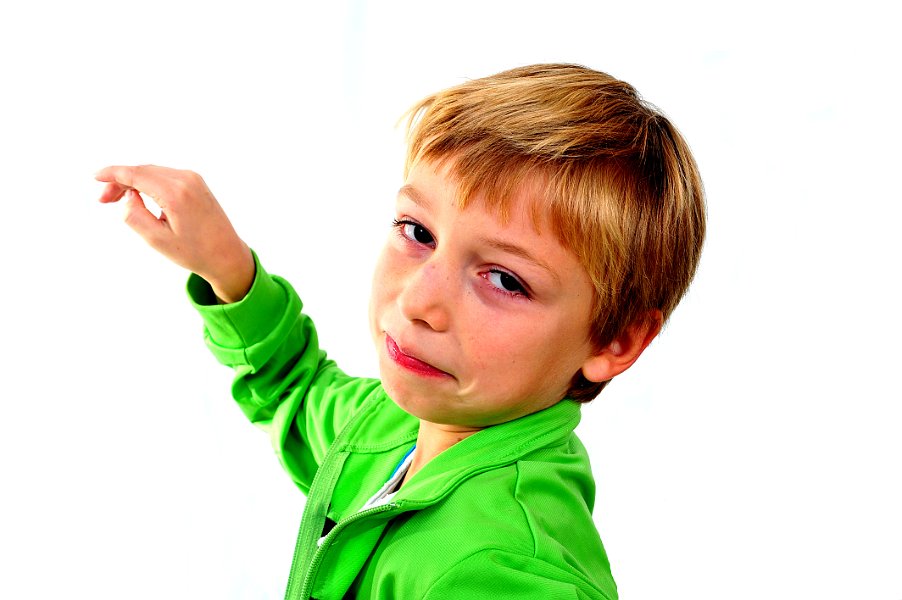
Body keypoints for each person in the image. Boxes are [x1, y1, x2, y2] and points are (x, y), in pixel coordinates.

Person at [96, 63, 705, 600]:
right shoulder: (398, 425)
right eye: (418, 233)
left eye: (505, 280)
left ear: (615, 342)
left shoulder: (505, 570)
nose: (419, 302)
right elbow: (297, 389)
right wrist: (227, 268)